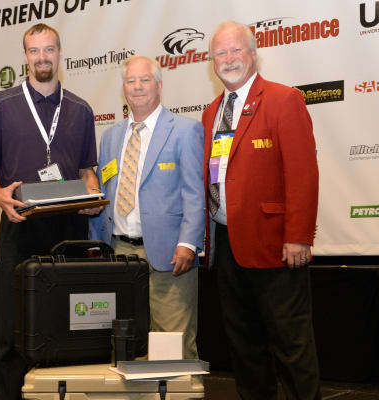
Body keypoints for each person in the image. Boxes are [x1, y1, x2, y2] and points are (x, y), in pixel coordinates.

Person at [0, 23, 101, 400]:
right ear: (25, 56)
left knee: (66, 323)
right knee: (12, 327)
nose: (42, 57)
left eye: (49, 49)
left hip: (69, 230)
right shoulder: (1, 104)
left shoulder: (81, 109)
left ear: (60, 53)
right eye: (34, 50)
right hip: (20, 224)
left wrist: (92, 193)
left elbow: (87, 169)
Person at [202, 21, 321, 399]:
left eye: (236, 50)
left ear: (253, 54)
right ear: (212, 62)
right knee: (245, 347)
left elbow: (303, 174)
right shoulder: (211, 112)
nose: (228, 59)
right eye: (220, 53)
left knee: (291, 345)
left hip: (275, 245)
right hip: (226, 245)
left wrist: (298, 236)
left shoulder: (284, 100)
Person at [89, 54, 205, 360]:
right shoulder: (111, 136)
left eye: (145, 80)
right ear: (123, 88)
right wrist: (96, 245)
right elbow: (104, 192)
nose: (137, 86)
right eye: (131, 81)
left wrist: (188, 243)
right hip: (118, 255)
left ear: (159, 85)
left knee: (173, 346)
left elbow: (195, 194)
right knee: (124, 344)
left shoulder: (185, 130)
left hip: (170, 255)